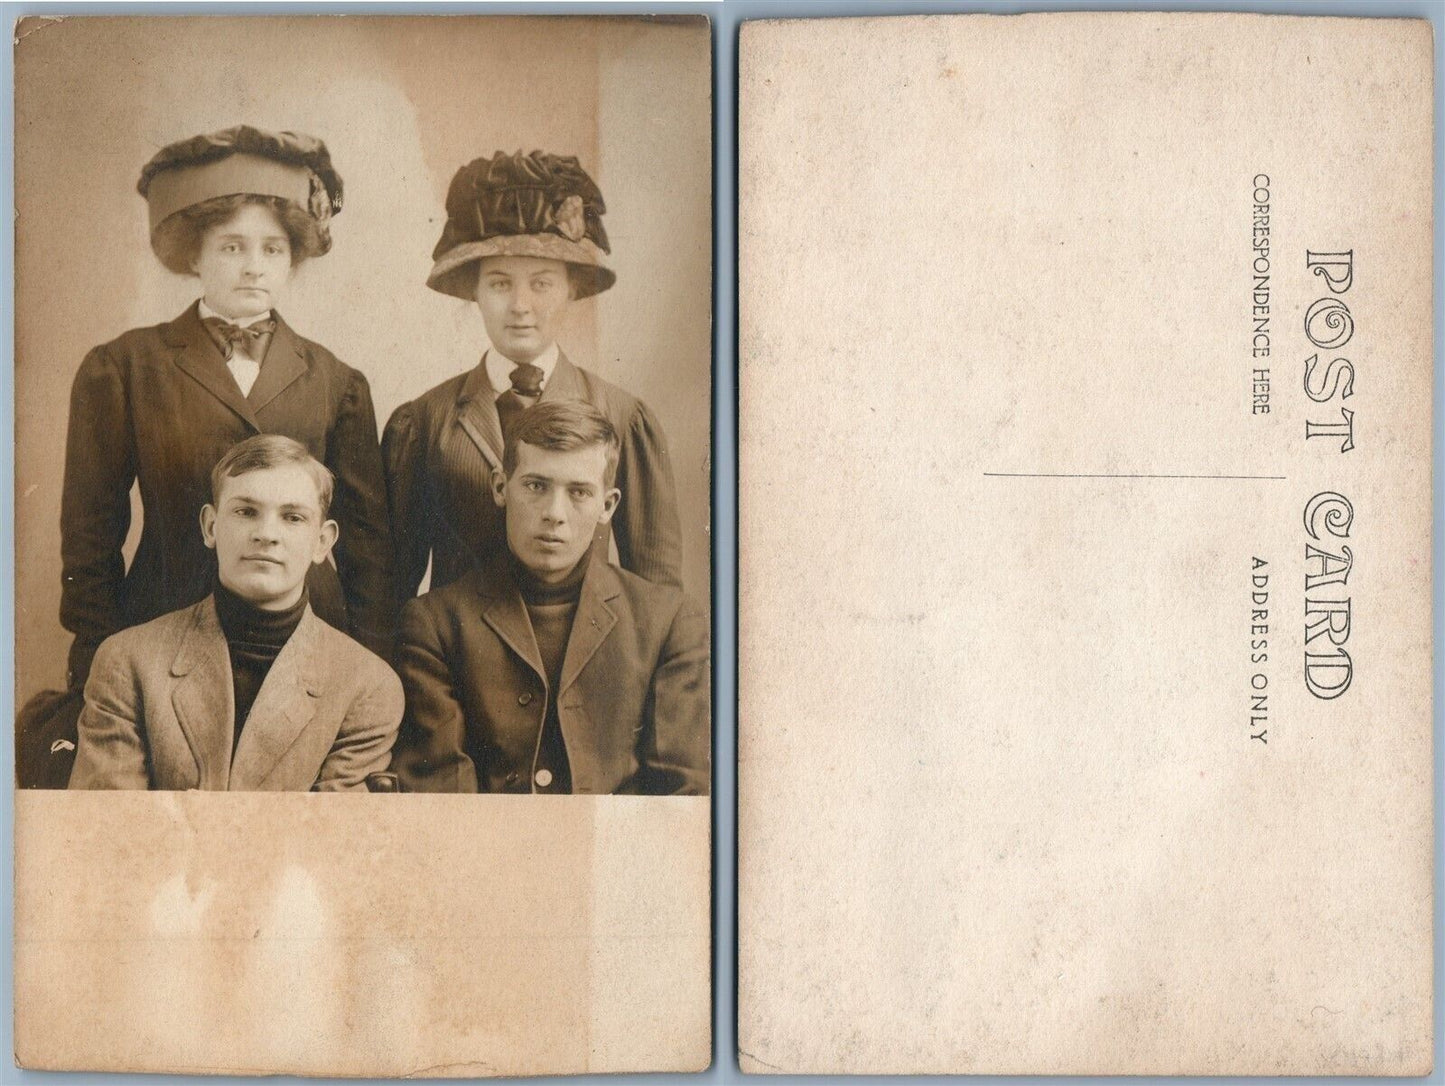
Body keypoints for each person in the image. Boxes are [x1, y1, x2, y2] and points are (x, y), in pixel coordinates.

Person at [60, 124, 395, 694]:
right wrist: (96, 658)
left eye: (272, 249)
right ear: (195, 254)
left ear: (293, 259)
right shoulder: (123, 367)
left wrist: (372, 665)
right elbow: (89, 536)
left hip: (307, 635)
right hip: (163, 626)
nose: (253, 267)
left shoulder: (339, 382)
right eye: (232, 246)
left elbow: (367, 544)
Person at [383, 150, 682, 605]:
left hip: (583, 668)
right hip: (455, 665)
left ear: (572, 289)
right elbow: (388, 593)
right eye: (500, 284)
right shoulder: (425, 421)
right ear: (474, 291)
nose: (520, 305)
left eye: (541, 284)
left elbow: (661, 598)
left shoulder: (622, 416)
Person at [390, 400, 708, 795]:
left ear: (607, 506)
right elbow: (444, 801)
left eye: (579, 492)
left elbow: (680, 798)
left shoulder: (668, 622)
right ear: (501, 487)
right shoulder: (434, 624)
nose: (554, 513)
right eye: (536, 486)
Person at [69, 435, 403, 791]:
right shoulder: (128, 661)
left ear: (322, 541)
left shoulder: (367, 686)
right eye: (246, 512)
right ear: (210, 527)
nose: (266, 534)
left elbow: (332, 843)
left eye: (292, 517)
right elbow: (107, 833)